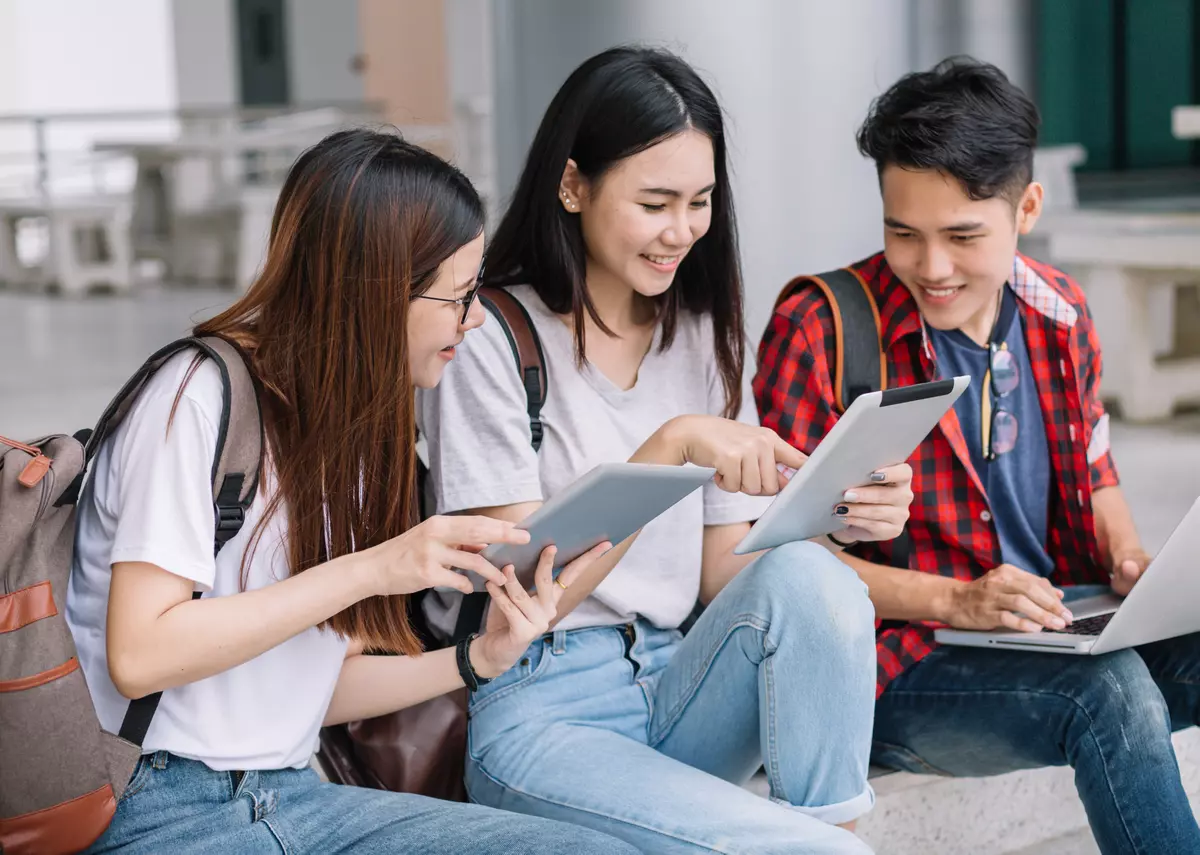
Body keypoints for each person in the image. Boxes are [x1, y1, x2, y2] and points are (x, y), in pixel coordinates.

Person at [67, 129, 640, 855]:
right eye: (459, 298)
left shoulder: (355, 438)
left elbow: (313, 689)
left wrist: (478, 660)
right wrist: (375, 568)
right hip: (154, 808)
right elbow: (141, 652)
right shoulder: (193, 396)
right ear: (374, 293)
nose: (472, 321)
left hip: (293, 795)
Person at [419, 47, 916, 855]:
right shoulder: (491, 338)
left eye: (700, 201)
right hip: (539, 707)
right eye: (655, 202)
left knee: (813, 575)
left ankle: (833, 828)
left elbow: (726, 574)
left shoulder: (698, 336)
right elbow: (518, 585)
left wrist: (837, 515)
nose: (681, 230)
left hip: (676, 678)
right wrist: (670, 446)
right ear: (573, 185)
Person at [755, 58, 1200, 853]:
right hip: (898, 668)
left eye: (963, 235)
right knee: (1113, 693)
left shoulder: (1061, 315)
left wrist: (1131, 560)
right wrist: (958, 601)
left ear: (1026, 207)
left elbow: (1095, 467)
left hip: (1051, 626)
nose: (932, 267)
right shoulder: (819, 329)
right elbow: (779, 567)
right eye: (903, 233)